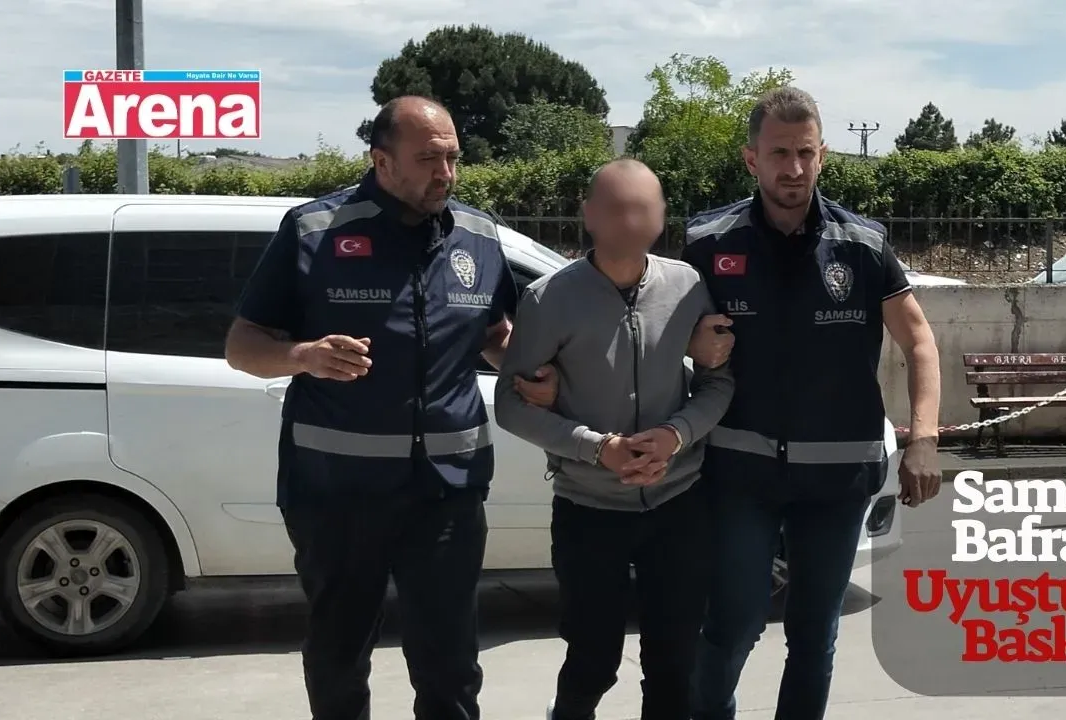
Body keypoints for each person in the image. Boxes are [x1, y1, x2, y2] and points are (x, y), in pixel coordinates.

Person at [224, 96, 517, 720]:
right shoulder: (314, 231)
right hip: (338, 494)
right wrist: (304, 355)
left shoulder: (479, 235)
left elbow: (495, 335)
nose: (446, 174)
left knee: (450, 664)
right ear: (382, 162)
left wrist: (534, 366)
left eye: (453, 158)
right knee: (340, 655)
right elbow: (242, 347)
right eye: (429, 159)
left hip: (448, 491)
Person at [682, 87, 944, 720]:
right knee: (733, 622)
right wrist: (692, 342)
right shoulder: (707, 242)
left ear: (823, 155)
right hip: (740, 473)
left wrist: (924, 439)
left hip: (837, 476)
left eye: (805, 153)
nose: (794, 168)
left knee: (813, 635)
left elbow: (919, 341)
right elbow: (666, 332)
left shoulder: (863, 245)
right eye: (779, 154)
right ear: (751, 159)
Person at [494, 158, 736, 720]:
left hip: (678, 506)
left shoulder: (688, 286)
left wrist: (676, 435)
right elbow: (510, 404)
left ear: (662, 217)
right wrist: (595, 447)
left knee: (674, 666)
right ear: (589, 215)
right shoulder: (549, 298)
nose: (630, 221)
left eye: (643, 209)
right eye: (616, 209)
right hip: (588, 510)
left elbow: (719, 381)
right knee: (592, 661)